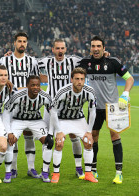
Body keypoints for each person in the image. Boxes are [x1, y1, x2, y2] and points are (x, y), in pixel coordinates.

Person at [77, 36, 134, 184]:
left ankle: (119, 173)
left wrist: (125, 94)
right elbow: (71, 67)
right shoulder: (85, 63)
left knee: (115, 136)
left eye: (98, 46)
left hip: (113, 107)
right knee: (93, 137)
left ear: (103, 47)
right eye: (93, 46)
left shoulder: (113, 62)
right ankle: (93, 171)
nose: (95, 49)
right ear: (90, 48)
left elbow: (130, 79)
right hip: (94, 107)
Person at [38, 39, 85, 179]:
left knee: (74, 136)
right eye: (57, 48)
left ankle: (78, 168)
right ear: (52, 49)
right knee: (48, 138)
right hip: (50, 106)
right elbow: (30, 63)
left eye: (62, 48)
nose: (60, 51)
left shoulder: (74, 61)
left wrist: (104, 55)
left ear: (66, 49)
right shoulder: (46, 61)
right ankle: (45, 169)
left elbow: (90, 61)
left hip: (69, 106)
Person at [0, 32, 40, 178]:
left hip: (29, 104)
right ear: (14, 43)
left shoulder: (32, 61)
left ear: (27, 44)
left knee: (29, 135)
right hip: (11, 104)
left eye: (24, 41)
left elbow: (36, 80)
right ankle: (13, 169)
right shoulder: (4, 60)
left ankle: (31, 168)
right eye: (19, 41)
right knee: (12, 137)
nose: (22, 44)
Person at [50, 67, 98, 183]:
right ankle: (56, 173)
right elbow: (53, 111)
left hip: (79, 119)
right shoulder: (63, 91)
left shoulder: (90, 91)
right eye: (77, 79)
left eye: (82, 79)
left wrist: (89, 131)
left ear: (84, 79)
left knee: (88, 141)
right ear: (71, 79)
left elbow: (92, 111)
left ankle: (88, 173)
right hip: (63, 119)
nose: (79, 81)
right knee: (59, 143)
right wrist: (59, 131)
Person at [2, 75, 53, 183]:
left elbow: (53, 114)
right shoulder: (17, 96)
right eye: (33, 85)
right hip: (18, 120)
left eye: (38, 85)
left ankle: (44, 172)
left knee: (49, 142)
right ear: (27, 86)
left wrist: (52, 132)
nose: (36, 87)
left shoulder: (45, 97)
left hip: (36, 120)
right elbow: (6, 112)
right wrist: (9, 132)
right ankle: (8, 172)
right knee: (10, 141)